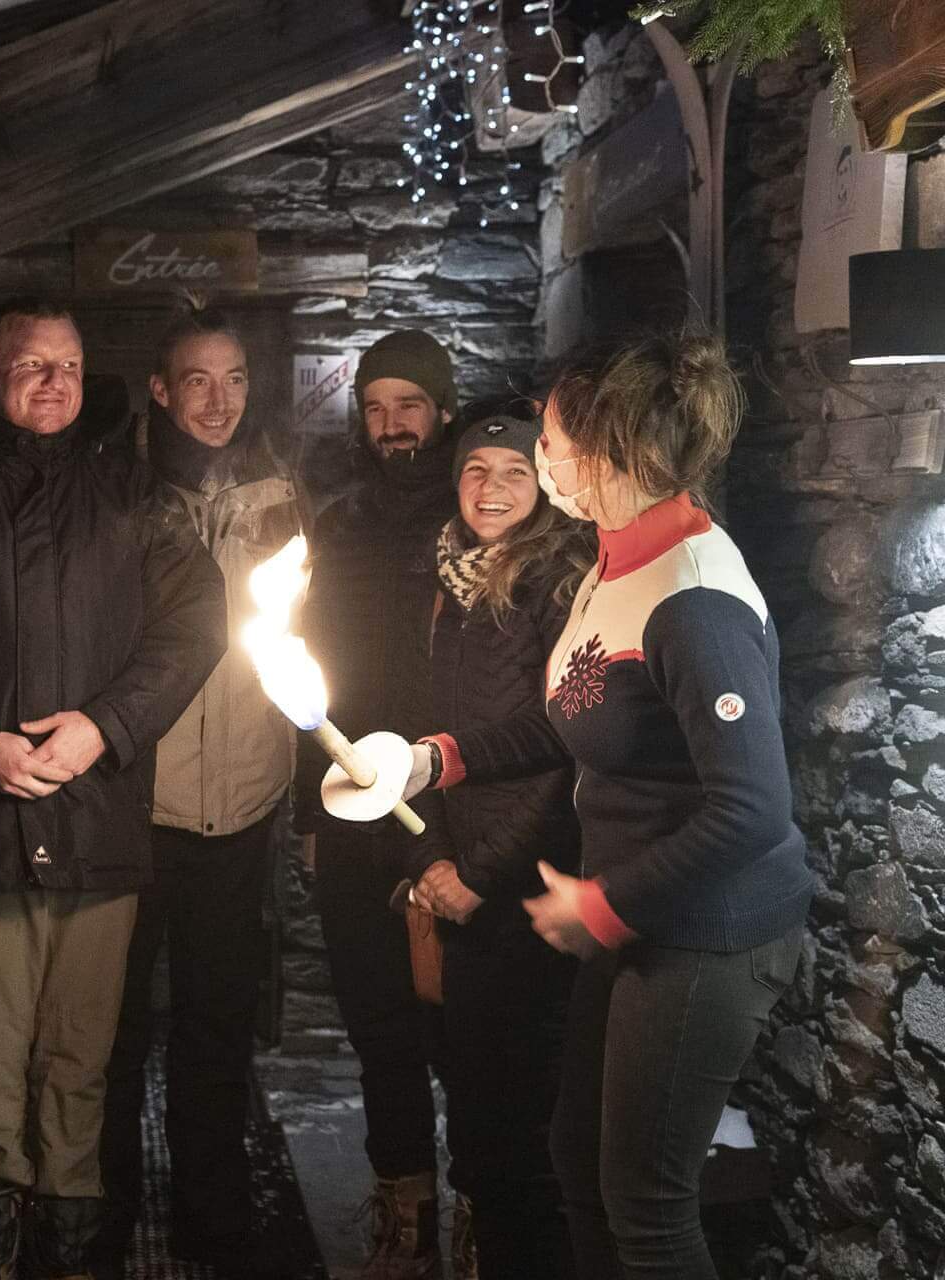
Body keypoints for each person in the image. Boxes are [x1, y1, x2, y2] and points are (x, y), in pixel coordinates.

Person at [402, 334, 814, 1280]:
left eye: (546, 438)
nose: (539, 457)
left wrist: (604, 902)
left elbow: (751, 807)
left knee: (648, 1205)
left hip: (707, 933)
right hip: (639, 922)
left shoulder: (693, 597)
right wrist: (437, 760)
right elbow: (577, 719)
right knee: (578, 1167)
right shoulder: (612, 563)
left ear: (602, 453)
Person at [0, 297, 226, 1280]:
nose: (53, 382)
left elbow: (199, 621)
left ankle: (71, 1254)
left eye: (68, 366)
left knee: (80, 1060)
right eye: (31, 365)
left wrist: (105, 727)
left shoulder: (135, 494)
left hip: (96, 822)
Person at [96, 304, 307, 1280]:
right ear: (159, 389)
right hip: (138, 799)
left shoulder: (281, 498)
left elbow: (306, 642)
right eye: (197, 381)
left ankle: (211, 1207)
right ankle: (106, 1203)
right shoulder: (117, 494)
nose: (217, 400)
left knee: (218, 1022)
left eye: (233, 379)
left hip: (244, 800)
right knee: (114, 1022)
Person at [295, 328, 459, 1278]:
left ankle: (484, 1215)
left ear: (441, 410)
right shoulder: (343, 520)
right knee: (379, 1028)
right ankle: (405, 1219)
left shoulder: (479, 513)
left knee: (467, 1031)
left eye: (410, 406)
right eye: (377, 407)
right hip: (354, 811)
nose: (393, 425)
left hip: (454, 808)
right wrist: (311, 816)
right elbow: (313, 680)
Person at [413, 403, 587, 1279]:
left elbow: (561, 750)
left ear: (544, 482)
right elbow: (437, 729)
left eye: (514, 471)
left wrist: (479, 873)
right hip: (462, 880)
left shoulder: (561, 584)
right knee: (478, 1116)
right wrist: (433, 858)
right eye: (478, 471)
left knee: (525, 1127)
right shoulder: (450, 579)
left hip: (528, 890)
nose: (492, 488)